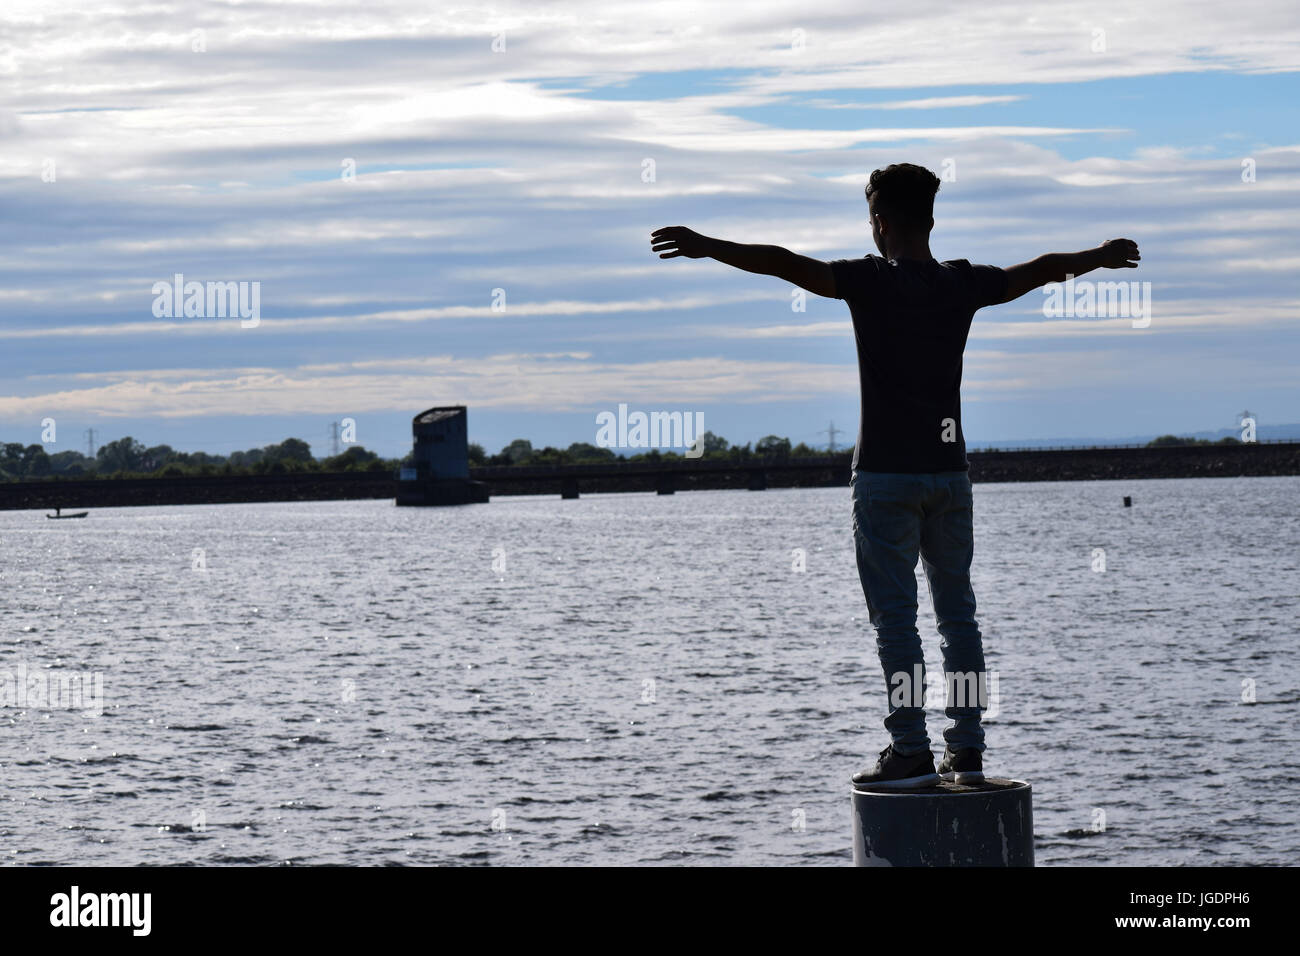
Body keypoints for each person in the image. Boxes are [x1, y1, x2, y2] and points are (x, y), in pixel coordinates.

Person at [651, 163, 1139, 788]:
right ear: (931, 220)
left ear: (879, 223)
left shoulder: (867, 281)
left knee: (897, 624)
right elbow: (1040, 269)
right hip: (950, 477)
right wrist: (1100, 256)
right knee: (959, 620)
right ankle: (966, 749)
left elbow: (782, 261)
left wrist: (707, 246)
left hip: (885, 479)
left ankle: (909, 748)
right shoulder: (962, 284)